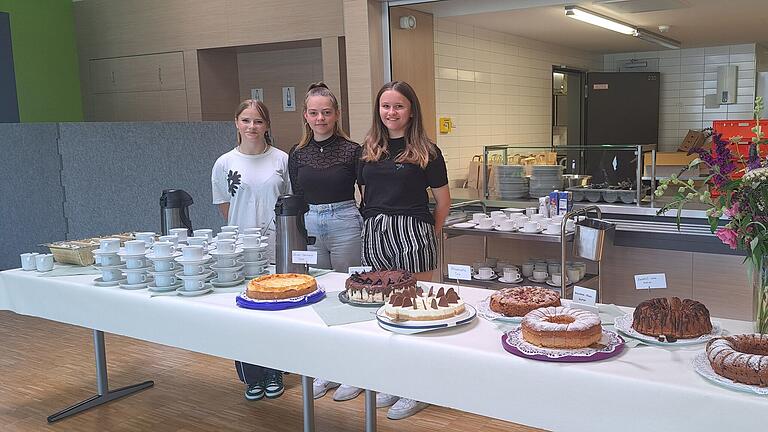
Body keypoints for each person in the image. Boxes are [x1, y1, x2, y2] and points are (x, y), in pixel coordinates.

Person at [357, 81, 451, 419]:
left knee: (417, 311)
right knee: (381, 310)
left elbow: (443, 201)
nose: (391, 112)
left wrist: (427, 234)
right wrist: (372, 225)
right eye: (385, 106)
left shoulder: (427, 151)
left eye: (398, 106)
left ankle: (418, 388)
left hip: (413, 231)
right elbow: (365, 193)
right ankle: (390, 380)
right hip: (375, 232)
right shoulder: (368, 148)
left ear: (411, 110)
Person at [288, 82, 365, 402]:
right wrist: (299, 233)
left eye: (326, 112)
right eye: (314, 112)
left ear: (337, 114)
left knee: (352, 294)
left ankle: (355, 372)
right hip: (311, 223)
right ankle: (327, 369)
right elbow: (297, 195)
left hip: (346, 220)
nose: (320, 118)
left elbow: (367, 191)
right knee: (319, 296)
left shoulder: (352, 149)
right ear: (305, 115)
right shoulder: (297, 153)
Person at [211, 99, 290, 401]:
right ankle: (251, 375)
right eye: (246, 120)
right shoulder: (224, 163)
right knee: (243, 314)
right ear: (236, 123)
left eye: (258, 121)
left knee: (275, 312)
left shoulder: (281, 159)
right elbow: (224, 206)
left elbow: (290, 202)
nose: (252, 127)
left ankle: (275, 371)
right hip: (241, 250)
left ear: (267, 125)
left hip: (276, 247)